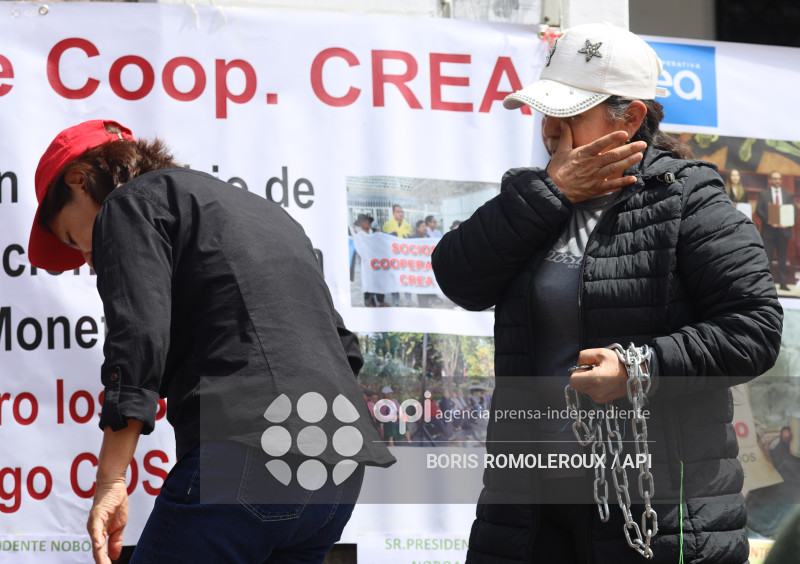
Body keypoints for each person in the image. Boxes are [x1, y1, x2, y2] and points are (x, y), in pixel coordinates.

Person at [432, 23, 782, 564]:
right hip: (529, 499)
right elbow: (459, 278)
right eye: (546, 110)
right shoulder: (533, 196)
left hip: (657, 508)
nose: (551, 128)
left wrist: (640, 367)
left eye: (569, 113)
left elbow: (754, 328)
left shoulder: (688, 196)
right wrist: (551, 194)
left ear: (632, 117)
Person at [28, 120, 395, 564]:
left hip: (248, 458)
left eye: (74, 238)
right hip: (337, 470)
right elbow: (344, 348)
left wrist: (110, 480)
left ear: (79, 179)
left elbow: (138, 339)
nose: (87, 260)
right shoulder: (269, 214)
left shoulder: (127, 204)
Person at [756, 171, 795, 291]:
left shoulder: (787, 194)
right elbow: (759, 210)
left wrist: (788, 222)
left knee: (782, 258)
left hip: (783, 231)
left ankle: (783, 283)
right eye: (775, 178)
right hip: (769, 231)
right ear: (770, 180)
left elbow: (793, 211)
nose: (777, 181)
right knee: (767, 258)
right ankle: (766, 285)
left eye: (779, 179)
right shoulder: (764, 194)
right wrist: (769, 221)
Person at [352, 213, 387, 307]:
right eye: (364, 221)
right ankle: (370, 302)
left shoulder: (375, 232)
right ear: (360, 224)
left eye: (367, 221)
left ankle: (381, 301)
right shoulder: (359, 235)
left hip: (378, 261)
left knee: (379, 280)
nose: (366, 223)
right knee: (368, 281)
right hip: (367, 262)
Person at [383, 205, 413, 306]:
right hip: (393, 257)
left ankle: (408, 300)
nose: (400, 214)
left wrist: (406, 236)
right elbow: (383, 239)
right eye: (398, 212)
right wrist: (390, 235)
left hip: (405, 257)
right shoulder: (388, 225)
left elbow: (412, 240)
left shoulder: (407, 225)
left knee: (406, 278)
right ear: (393, 213)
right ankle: (395, 300)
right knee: (394, 279)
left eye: (401, 212)